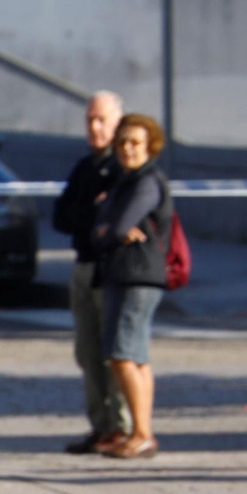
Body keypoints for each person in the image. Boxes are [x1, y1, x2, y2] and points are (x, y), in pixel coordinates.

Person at [52, 91, 131, 454]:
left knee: (115, 351)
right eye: (90, 120)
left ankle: (122, 427)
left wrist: (95, 217)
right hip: (83, 266)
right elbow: (61, 217)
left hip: (112, 270)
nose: (95, 128)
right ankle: (100, 426)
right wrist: (92, 214)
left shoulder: (123, 169)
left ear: (118, 121)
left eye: (102, 120)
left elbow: (115, 221)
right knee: (87, 352)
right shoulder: (85, 168)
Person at [91, 114, 172, 461]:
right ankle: (140, 431)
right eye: (122, 142)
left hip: (139, 275)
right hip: (122, 272)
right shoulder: (123, 179)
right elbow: (103, 224)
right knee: (134, 356)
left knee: (124, 354)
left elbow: (117, 225)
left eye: (135, 142)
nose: (127, 149)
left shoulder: (147, 182)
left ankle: (142, 433)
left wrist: (108, 228)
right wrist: (107, 227)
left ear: (150, 146)